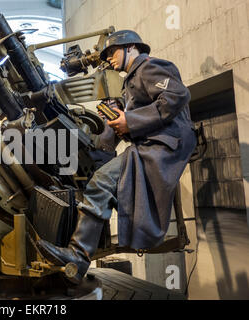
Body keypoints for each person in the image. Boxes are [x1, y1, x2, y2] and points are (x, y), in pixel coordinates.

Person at [37, 30, 197, 283]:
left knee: (101, 181)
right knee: (102, 181)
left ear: (131, 47)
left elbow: (177, 96)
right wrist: (117, 117)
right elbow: (143, 116)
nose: (109, 59)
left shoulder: (151, 66)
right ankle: (78, 256)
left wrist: (129, 119)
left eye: (112, 52)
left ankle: (78, 257)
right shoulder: (131, 80)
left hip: (163, 147)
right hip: (149, 145)